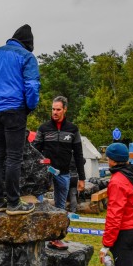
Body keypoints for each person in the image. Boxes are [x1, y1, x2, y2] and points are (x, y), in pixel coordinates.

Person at [0, 24, 40, 216]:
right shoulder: (27, 56)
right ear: (28, 44)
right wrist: (29, 106)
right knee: (14, 156)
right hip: (14, 109)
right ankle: (14, 204)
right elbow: (31, 86)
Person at [34, 96, 86, 248]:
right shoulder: (43, 128)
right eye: (53, 109)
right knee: (38, 205)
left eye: (58, 109)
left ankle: (56, 238)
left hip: (63, 173)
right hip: (44, 173)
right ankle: (38, 237)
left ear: (65, 110)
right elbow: (34, 150)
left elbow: (78, 154)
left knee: (60, 207)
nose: (55, 112)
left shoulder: (73, 129)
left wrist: (82, 178)